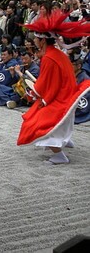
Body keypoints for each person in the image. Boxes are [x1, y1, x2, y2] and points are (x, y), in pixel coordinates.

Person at [16, 10, 90, 164]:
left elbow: (46, 83)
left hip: (59, 97)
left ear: (42, 41)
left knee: (36, 121)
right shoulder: (57, 54)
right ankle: (64, 140)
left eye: (36, 38)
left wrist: (34, 94)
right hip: (67, 94)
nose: (34, 41)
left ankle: (59, 154)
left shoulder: (49, 58)